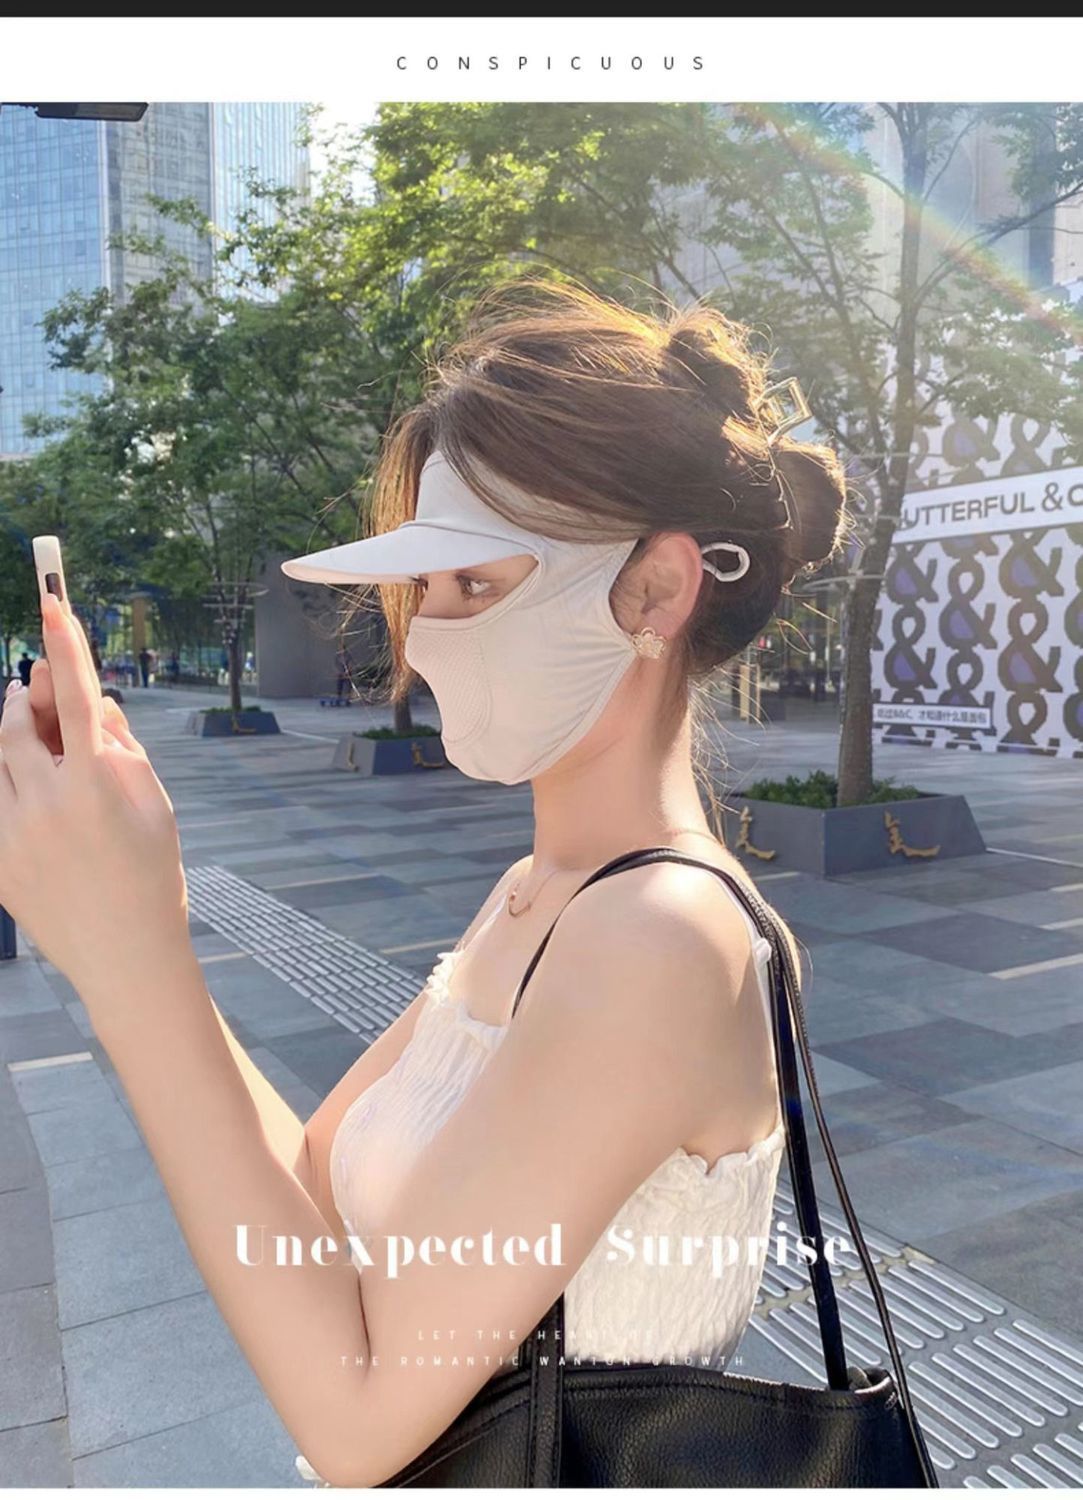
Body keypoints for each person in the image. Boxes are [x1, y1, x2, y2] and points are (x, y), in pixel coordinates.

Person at [7, 279, 850, 1489]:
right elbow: (309, 1193)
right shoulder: (540, 892)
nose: (425, 633)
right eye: (426, 587)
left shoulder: (658, 937)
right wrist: (142, 909)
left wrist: (131, 957)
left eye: (476, 585)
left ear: (657, 592)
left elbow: (357, 1425)